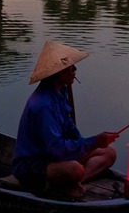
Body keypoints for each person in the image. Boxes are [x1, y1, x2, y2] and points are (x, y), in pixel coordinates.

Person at [14, 41, 117, 197]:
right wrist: (93, 142)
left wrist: (88, 144)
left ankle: (74, 182)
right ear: (59, 73)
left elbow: (70, 129)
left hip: (56, 157)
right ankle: (68, 180)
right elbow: (56, 150)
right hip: (33, 165)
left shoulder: (60, 92)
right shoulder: (42, 105)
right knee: (74, 169)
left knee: (109, 153)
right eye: (70, 68)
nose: (75, 70)